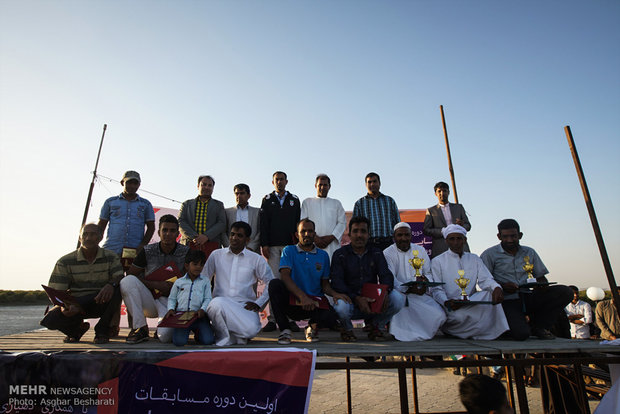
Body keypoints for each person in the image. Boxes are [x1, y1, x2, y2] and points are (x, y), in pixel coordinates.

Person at [481, 219, 573, 340]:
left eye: (513, 236)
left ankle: (540, 326)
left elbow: (541, 276)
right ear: (499, 236)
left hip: (528, 295)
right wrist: (502, 286)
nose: (509, 240)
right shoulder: (489, 254)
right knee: (521, 334)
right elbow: (484, 281)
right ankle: (511, 327)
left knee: (565, 292)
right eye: (505, 236)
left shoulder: (529, 252)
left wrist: (542, 285)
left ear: (520, 235)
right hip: (507, 300)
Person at [40, 223, 123, 344]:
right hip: (77, 302)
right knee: (49, 320)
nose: (88, 238)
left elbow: (119, 276)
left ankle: (102, 331)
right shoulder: (65, 262)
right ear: (80, 238)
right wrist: (65, 306)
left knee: (119, 289)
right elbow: (57, 292)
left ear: (100, 238)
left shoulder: (111, 257)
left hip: (101, 300)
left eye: (93, 234)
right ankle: (75, 330)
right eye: (85, 234)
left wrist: (111, 284)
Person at [268, 219, 348, 345]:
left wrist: (334, 293)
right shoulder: (289, 251)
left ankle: (312, 327)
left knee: (332, 317)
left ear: (314, 234)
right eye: (303, 231)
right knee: (274, 285)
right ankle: (285, 330)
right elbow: (285, 276)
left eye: (310, 231)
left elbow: (325, 285)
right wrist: (302, 297)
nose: (307, 234)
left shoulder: (323, 255)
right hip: (293, 301)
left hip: (314, 303)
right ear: (297, 235)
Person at [331, 216, 405, 342]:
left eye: (363, 231)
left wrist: (385, 292)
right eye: (355, 231)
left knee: (398, 299)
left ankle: (376, 326)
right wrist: (357, 298)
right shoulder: (340, 254)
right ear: (349, 234)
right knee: (340, 307)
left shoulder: (376, 253)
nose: (359, 235)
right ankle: (347, 330)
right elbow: (337, 282)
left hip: (372, 301)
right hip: (351, 300)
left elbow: (385, 275)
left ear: (369, 234)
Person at [430, 224, 508, 340]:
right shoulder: (438, 261)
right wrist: (447, 302)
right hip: (451, 306)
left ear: (465, 240)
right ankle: (466, 332)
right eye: (452, 239)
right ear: (446, 241)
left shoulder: (474, 258)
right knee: (459, 317)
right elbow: (436, 289)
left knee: (489, 293)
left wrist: (497, 288)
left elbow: (485, 280)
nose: (456, 242)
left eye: (459, 238)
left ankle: (498, 332)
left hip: (470, 302)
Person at [120, 214, 189, 344]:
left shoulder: (186, 252)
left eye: (172, 231)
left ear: (178, 234)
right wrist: (155, 284)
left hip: (172, 302)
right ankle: (140, 327)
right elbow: (131, 274)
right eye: (165, 230)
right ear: (159, 232)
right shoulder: (148, 251)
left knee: (166, 338)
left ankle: (161, 329)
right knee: (126, 281)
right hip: (150, 299)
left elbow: (192, 281)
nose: (168, 234)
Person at [203, 221, 274, 346]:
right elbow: (203, 280)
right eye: (232, 234)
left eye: (239, 236)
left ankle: (232, 336)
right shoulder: (216, 255)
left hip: (244, 307)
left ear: (247, 240)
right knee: (216, 304)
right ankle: (227, 337)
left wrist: (258, 303)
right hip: (220, 304)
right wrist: (205, 302)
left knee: (252, 329)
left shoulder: (255, 258)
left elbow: (271, 283)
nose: (234, 238)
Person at [384, 222, 447, 341]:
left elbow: (428, 272)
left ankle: (423, 337)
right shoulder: (388, 253)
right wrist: (407, 288)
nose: (403, 238)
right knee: (402, 317)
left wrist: (425, 282)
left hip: (420, 294)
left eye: (406, 235)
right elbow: (390, 278)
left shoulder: (420, 250)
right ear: (394, 237)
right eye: (400, 235)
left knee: (440, 316)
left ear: (411, 236)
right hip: (401, 295)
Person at [259, 171, 301, 332]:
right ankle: (272, 319)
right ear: (272, 182)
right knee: (273, 282)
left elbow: (298, 223)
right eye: (277, 180)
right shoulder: (267, 200)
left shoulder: (294, 200)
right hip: (273, 247)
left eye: (282, 179)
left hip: (290, 247)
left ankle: (290, 318)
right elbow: (263, 223)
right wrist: (264, 244)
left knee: (290, 282)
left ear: (286, 181)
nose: (279, 182)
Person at [98, 170, 155, 256]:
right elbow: (101, 225)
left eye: (135, 183)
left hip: (134, 250)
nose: (132, 186)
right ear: (122, 182)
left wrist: (143, 245)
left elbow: (151, 227)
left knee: (132, 269)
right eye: (129, 183)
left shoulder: (145, 204)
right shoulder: (110, 202)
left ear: (139, 185)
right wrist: (96, 244)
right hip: (111, 248)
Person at [165, 250, 215, 346]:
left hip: (199, 316)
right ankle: (184, 332)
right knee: (179, 342)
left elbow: (208, 298)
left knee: (208, 341)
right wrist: (171, 309)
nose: (198, 267)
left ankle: (200, 332)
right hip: (182, 317)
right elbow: (172, 298)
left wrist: (202, 309)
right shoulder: (179, 282)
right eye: (195, 264)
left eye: (201, 265)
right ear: (187, 265)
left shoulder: (205, 281)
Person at [300, 174, 346, 259]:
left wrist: (331, 237)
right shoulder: (307, 202)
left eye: (325, 185)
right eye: (320, 185)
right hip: (312, 244)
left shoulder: (336, 203)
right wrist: (315, 238)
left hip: (332, 246)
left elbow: (342, 223)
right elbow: (303, 222)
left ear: (329, 186)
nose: (322, 187)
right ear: (315, 186)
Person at [353, 172, 400, 250]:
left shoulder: (389, 201)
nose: (372, 184)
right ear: (366, 185)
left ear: (379, 183)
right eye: (369, 182)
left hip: (388, 244)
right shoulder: (359, 203)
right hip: (368, 244)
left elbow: (397, 224)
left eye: (375, 181)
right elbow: (356, 226)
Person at [423, 181, 471, 258]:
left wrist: (461, 226)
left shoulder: (459, 207)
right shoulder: (431, 211)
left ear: (448, 192)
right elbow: (426, 229)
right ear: (435, 194)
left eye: (444, 191)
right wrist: (442, 231)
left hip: (460, 246)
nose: (442, 193)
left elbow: (468, 226)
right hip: (441, 248)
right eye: (439, 191)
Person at [178, 175, 226, 249]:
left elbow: (222, 223)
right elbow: (180, 221)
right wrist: (195, 237)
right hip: (188, 244)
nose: (206, 187)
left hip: (211, 245)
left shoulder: (218, 205)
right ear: (198, 186)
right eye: (204, 184)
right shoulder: (186, 204)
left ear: (213, 188)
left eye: (210, 185)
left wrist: (206, 236)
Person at [222, 184, 260, 252]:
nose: (239, 196)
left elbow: (260, 232)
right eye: (237, 193)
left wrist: (251, 247)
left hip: (252, 252)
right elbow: (223, 232)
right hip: (231, 252)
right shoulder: (227, 212)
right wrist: (230, 247)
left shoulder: (257, 212)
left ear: (248, 196)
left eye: (242, 193)